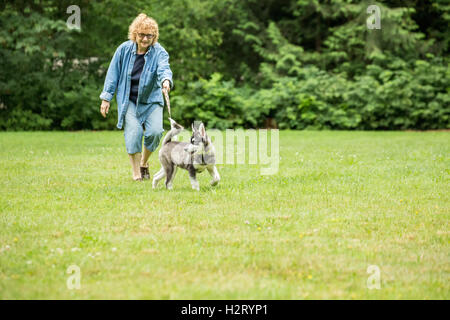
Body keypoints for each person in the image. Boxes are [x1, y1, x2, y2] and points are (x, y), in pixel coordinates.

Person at [99, 13, 173, 181]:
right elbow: (113, 74)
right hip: (129, 101)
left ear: (154, 36)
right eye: (141, 35)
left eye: (149, 36)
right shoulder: (124, 50)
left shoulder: (159, 52)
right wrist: (106, 98)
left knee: (154, 132)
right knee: (134, 132)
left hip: (152, 100)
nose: (145, 39)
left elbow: (164, 68)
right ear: (135, 34)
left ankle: (144, 162)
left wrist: (166, 81)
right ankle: (137, 174)